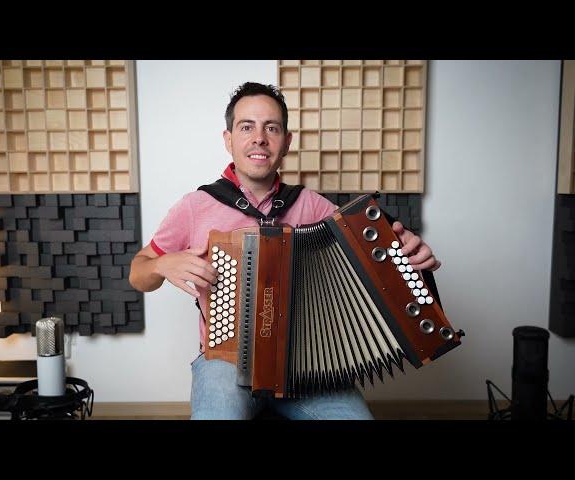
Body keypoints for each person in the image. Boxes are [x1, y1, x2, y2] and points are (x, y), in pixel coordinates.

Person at [129, 82, 441, 420]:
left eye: (271, 128)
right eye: (246, 126)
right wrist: (162, 263)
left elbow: (373, 264)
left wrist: (407, 256)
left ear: (286, 142)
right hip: (224, 363)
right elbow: (138, 273)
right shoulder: (196, 206)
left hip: (308, 364)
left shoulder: (312, 206)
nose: (259, 137)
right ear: (228, 139)